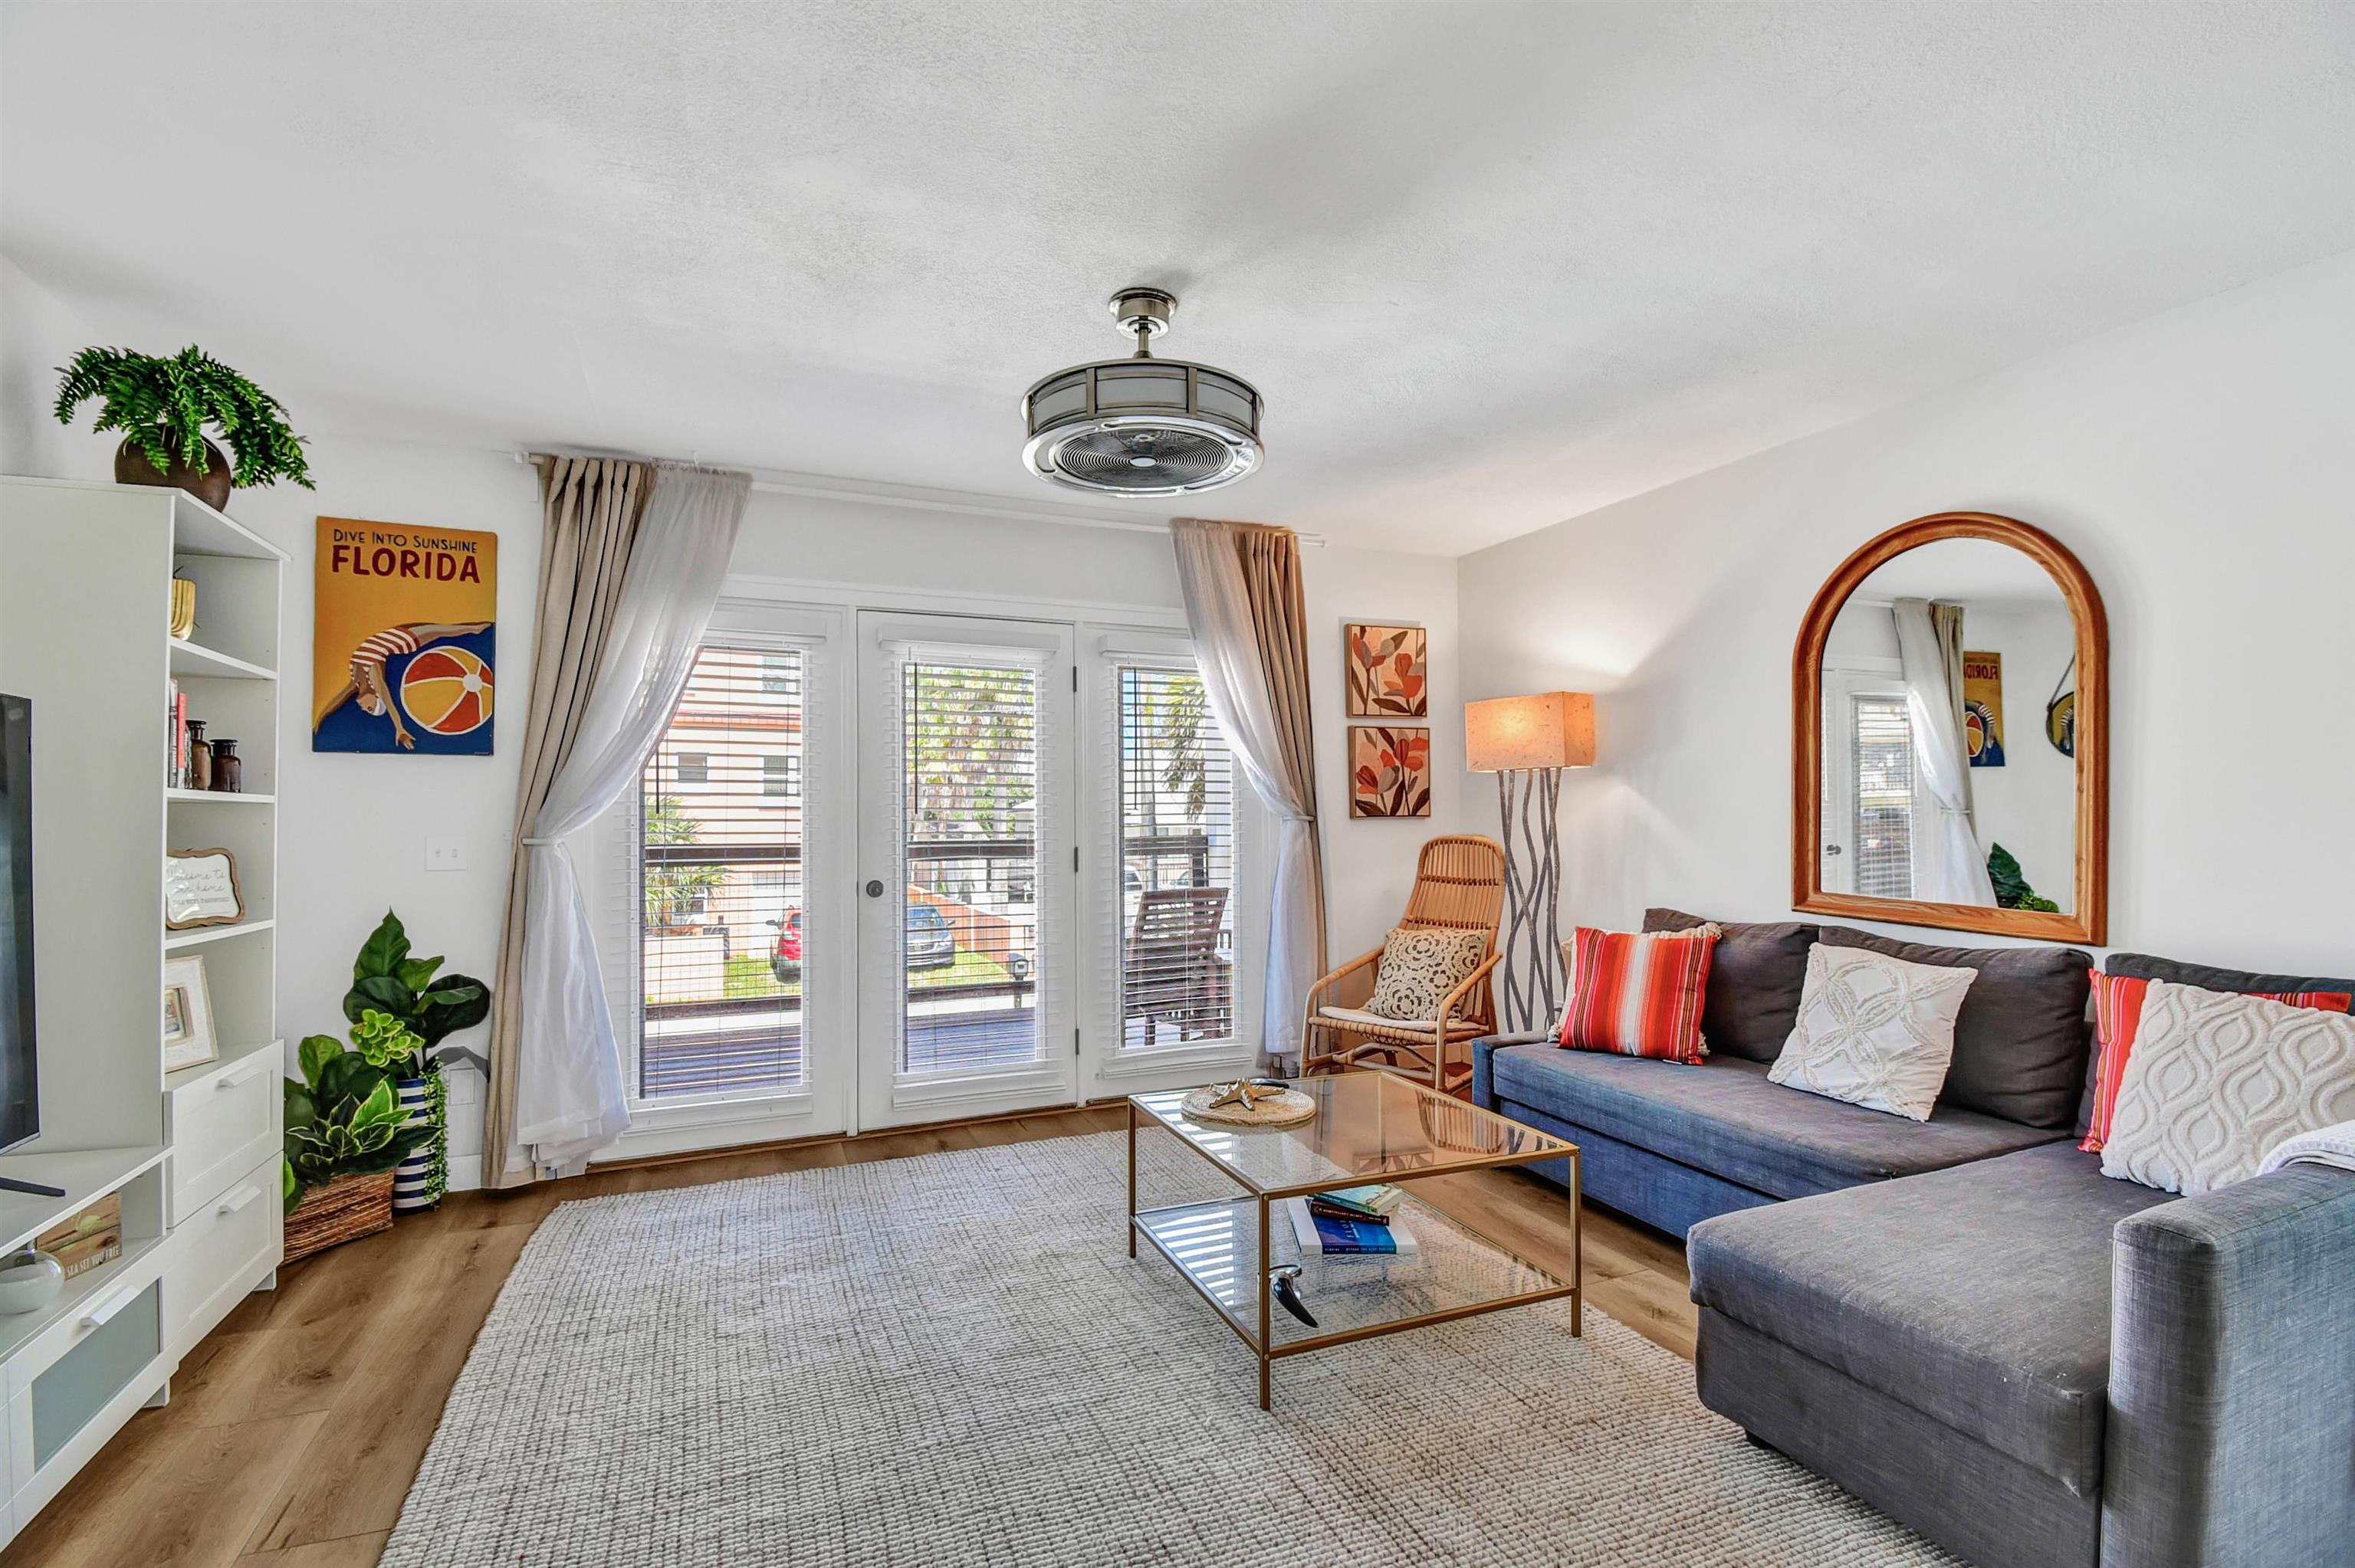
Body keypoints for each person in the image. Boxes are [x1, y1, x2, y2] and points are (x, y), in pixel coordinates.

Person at [315, 622, 491, 750]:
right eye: (370, 708)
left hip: (391, 636)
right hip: (400, 641)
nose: (363, 708)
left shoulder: (356, 682)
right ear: (376, 697)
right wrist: (399, 728)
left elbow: (337, 700)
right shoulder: (374, 679)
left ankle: (472, 628)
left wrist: (320, 718)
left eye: (366, 710)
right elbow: (389, 702)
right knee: (438, 631)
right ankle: (473, 629)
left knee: (437, 630)